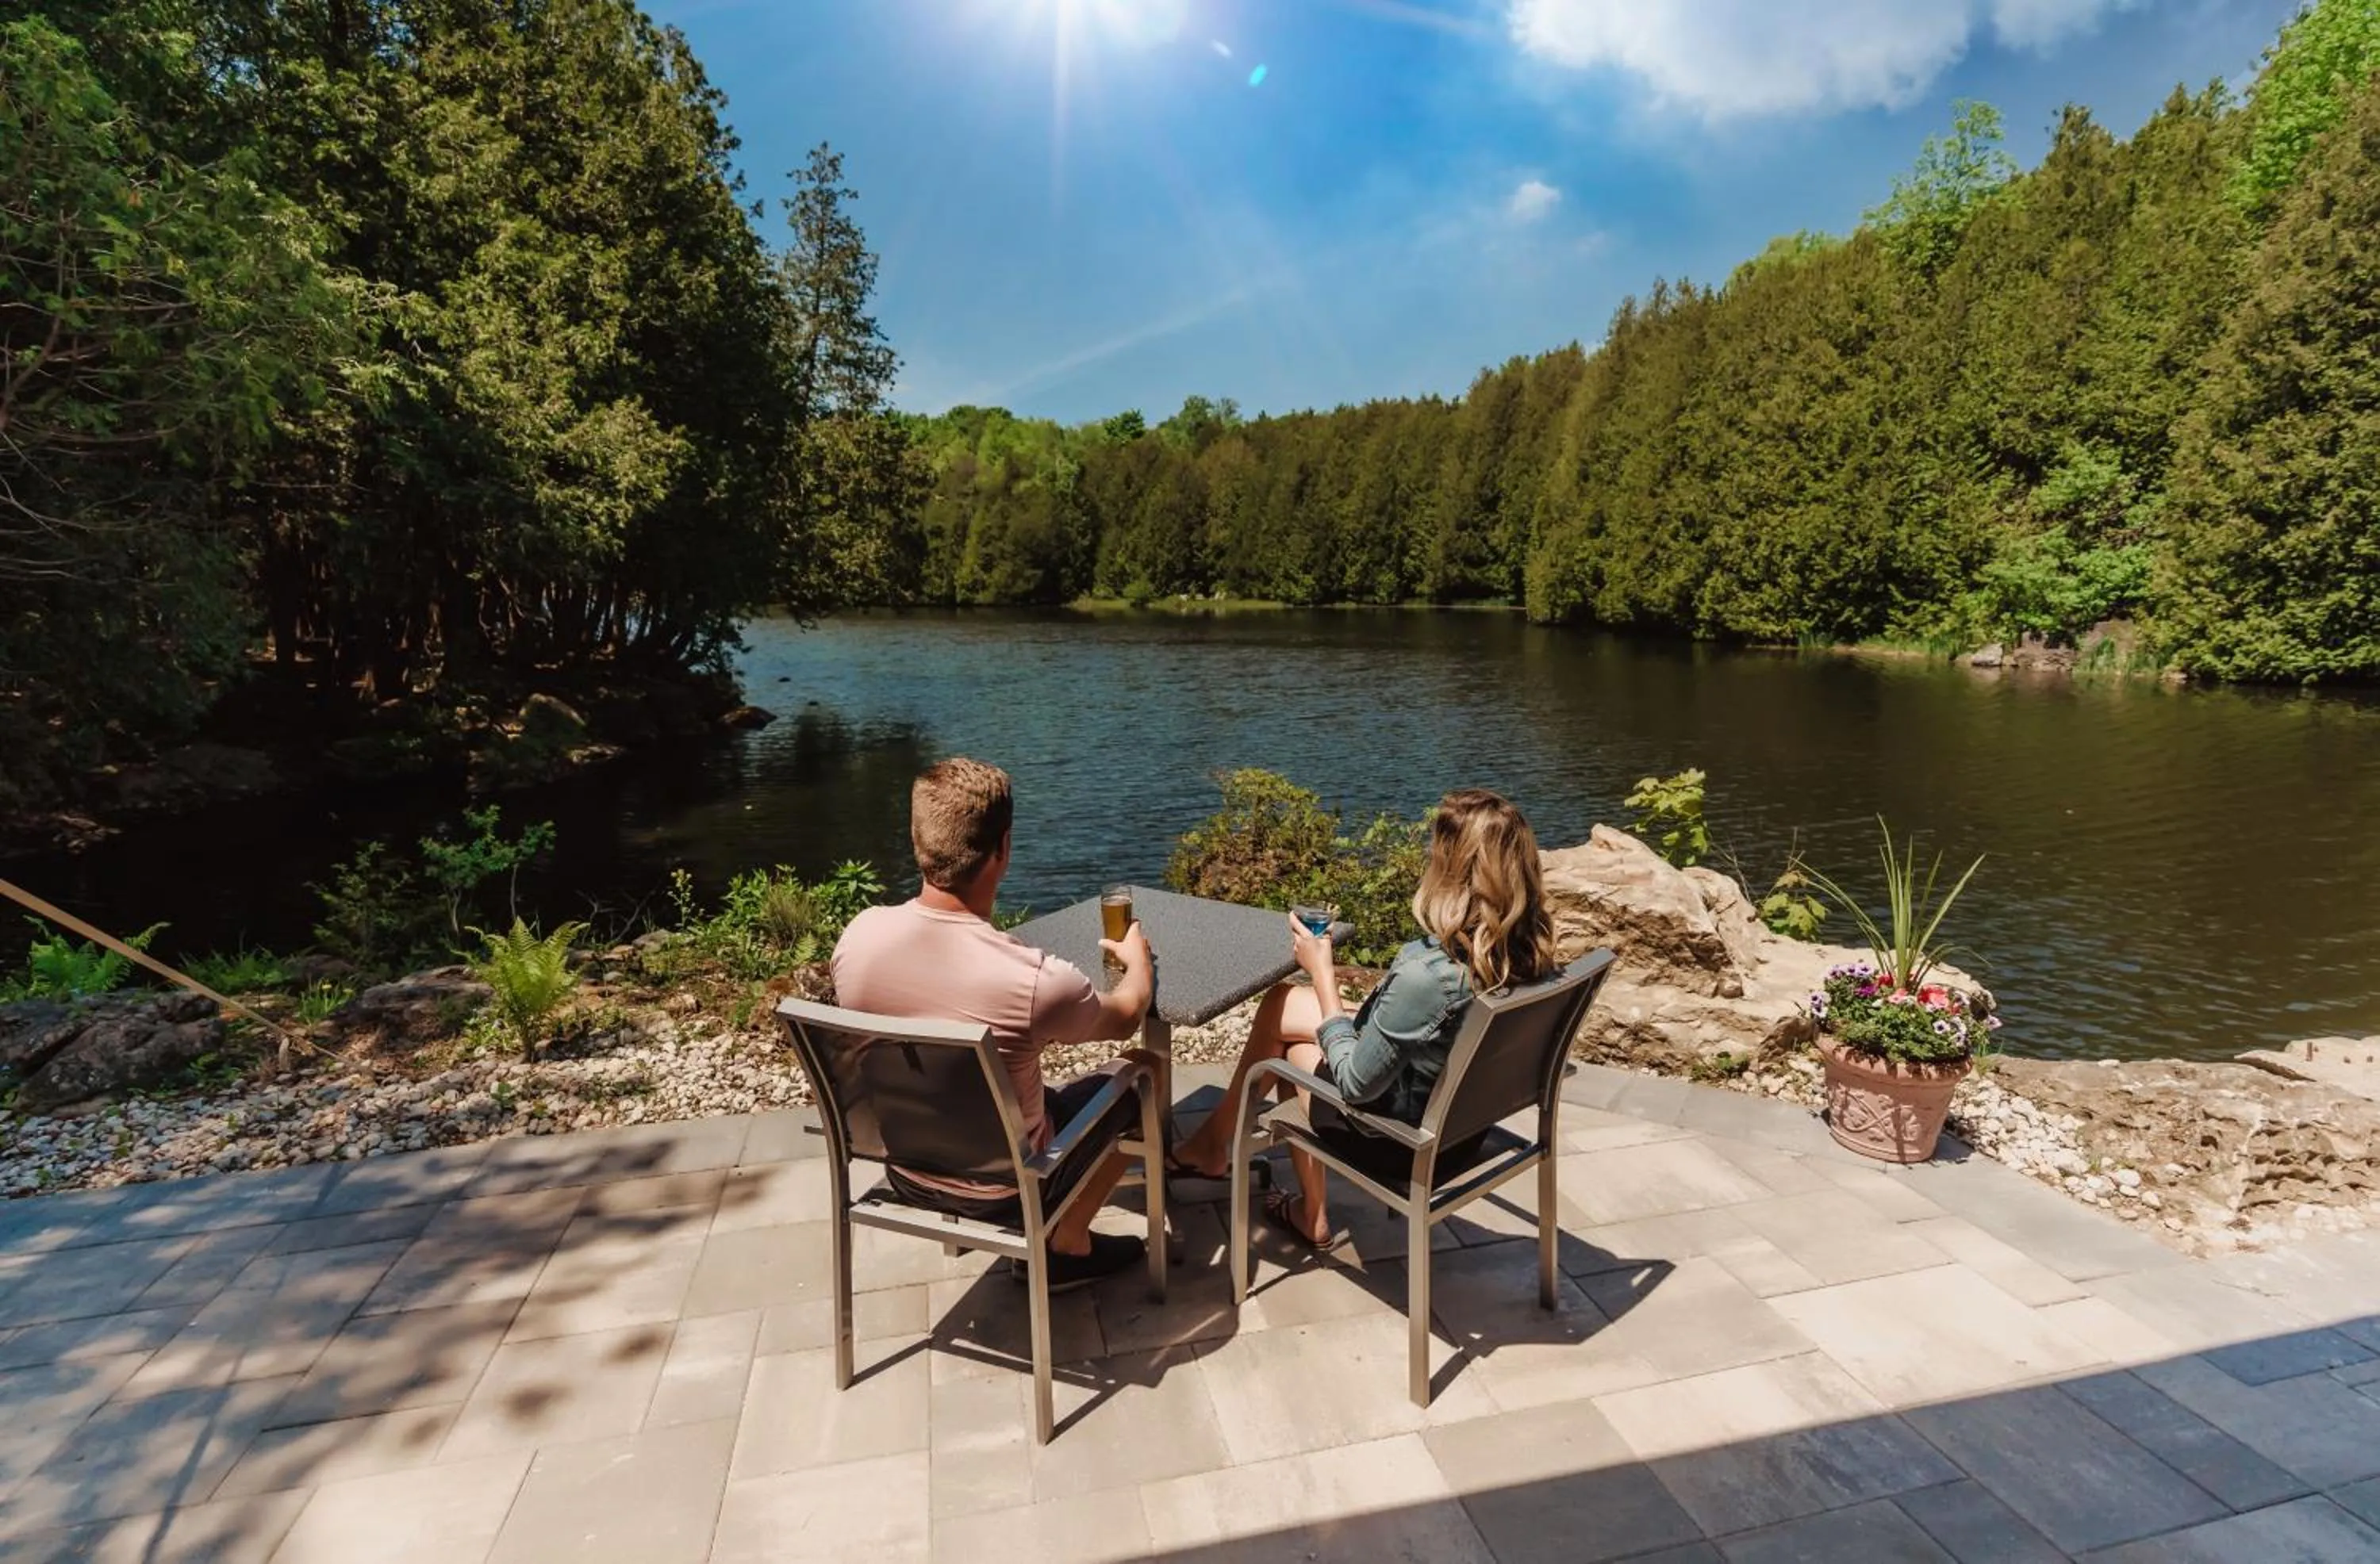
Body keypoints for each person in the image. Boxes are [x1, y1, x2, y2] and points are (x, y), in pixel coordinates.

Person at [1166, 788, 1559, 1250]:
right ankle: (1216, 1145)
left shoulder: (1427, 974)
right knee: (1281, 1003)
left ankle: (1300, 1207)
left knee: (1294, 1051)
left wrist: (1323, 973)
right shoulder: (1526, 948)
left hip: (1403, 1141)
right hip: (1465, 1125)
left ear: (1451, 868)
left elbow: (1354, 1085)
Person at [831, 757, 1159, 1291]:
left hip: (905, 1167)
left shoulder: (859, 937)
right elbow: (1125, 1018)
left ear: (917, 840)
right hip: (1006, 1188)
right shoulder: (1032, 979)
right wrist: (1138, 963)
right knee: (1144, 1070)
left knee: (1031, 1089)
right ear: (1003, 848)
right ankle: (1067, 1246)